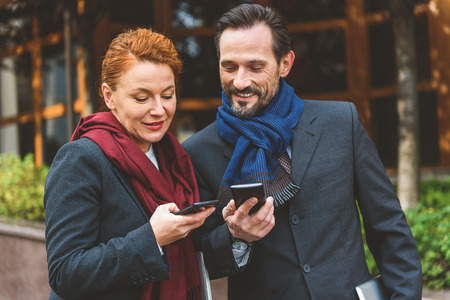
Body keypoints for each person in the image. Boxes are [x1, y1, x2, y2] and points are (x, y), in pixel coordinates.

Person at [182, 4, 422, 299]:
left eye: (255, 67)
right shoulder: (197, 151)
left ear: (285, 63)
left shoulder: (341, 122)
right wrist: (236, 237)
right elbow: (199, 259)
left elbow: (388, 228)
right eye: (229, 66)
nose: (240, 81)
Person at [44, 28, 215, 300]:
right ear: (109, 96)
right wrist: (152, 238)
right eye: (141, 98)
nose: (159, 109)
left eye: (168, 95)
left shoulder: (175, 158)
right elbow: (65, 273)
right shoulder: (81, 159)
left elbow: (193, 247)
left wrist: (237, 231)